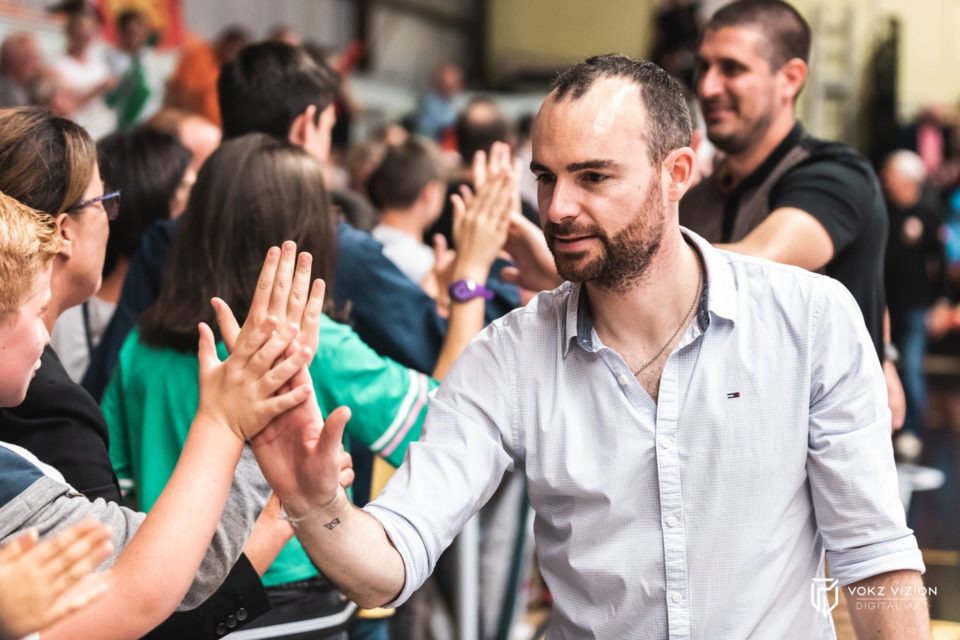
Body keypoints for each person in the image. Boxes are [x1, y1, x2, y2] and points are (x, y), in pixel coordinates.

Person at [249, 54, 929, 638]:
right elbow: (394, 559)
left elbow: (874, 558)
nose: (556, 208)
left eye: (593, 177)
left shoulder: (810, 322)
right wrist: (316, 506)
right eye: (545, 177)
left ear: (676, 173)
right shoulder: (508, 357)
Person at [102, 133, 511, 638]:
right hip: (293, 606)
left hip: (171, 604)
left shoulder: (141, 347)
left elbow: (115, 488)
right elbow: (442, 424)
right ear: (310, 232)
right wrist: (469, 281)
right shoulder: (312, 343)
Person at [0, 107, 286, 637]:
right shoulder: (41, 409)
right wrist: (237, 438)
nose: (44, 333)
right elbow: (137, 593)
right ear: (61, 231)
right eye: (104, 201)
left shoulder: (130, 352)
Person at [679, 0, 907, 429]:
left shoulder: (836, 175)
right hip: (722, 448)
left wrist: (620, 256)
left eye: (731, 68)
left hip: (827, 461)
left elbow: (752, 262)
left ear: (789, 79)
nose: (707, 87)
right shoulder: (695, 200)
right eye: (703, 67)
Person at [51, 126, 193, 382]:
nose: (196, 203)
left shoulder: (59, 305)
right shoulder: (170, 321)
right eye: (184, 187)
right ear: (152, 200)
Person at [882, 150, 950, 458]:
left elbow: (941, 262)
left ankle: (911, 430)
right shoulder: (881, 211)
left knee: (910, 367)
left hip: (914, 305)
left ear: (908, 181)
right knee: (882, 364)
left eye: (892, 176)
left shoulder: (927, 213)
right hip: (883, 303)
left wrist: (940, 302)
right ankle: (886, 428)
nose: (887, 181)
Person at [53, 8, 116, 139]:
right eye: (80, 34)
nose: (84, 39)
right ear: (70, 33)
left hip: (101, 129)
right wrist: (98, 89)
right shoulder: (60, 66)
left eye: (88, 34)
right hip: (74, 130)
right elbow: (65, 105)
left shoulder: (99, 65)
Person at [105, 9, 164, 128]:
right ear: (121, 32)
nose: (137, 37)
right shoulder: (109, 59)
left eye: (140, 32)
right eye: (132, 32)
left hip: (149, 126)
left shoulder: (151, 59)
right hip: (118, 126)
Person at [0, 33, 42, 108]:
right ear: (14, 59)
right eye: (31, 59)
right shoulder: (3, 89)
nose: (37, 65)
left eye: (37, 58)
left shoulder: (31, 85)